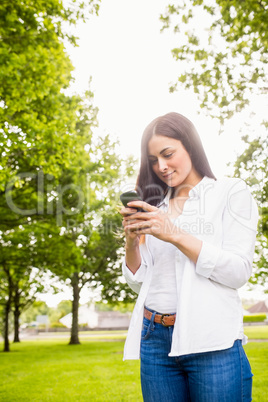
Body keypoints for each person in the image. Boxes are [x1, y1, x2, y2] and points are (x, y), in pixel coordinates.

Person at [120, 112, 259, 402]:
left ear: (190, 145)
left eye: (168, 154)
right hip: (155, 339)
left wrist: (174, 234)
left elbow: (238, 272)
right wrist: (131, 242)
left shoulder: (230, 192)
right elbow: (139, 282)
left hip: (211, 338)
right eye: (153, 160)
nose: (161, 166)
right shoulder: (156, 206)